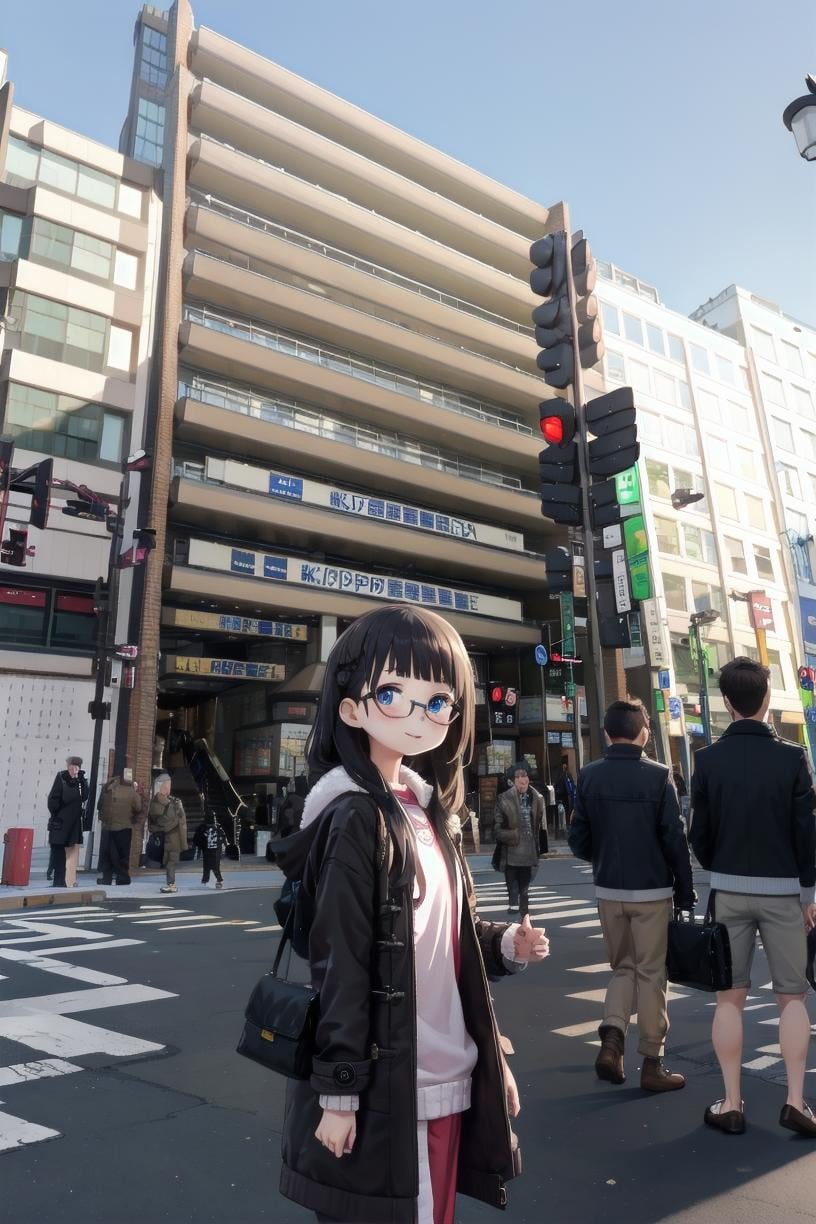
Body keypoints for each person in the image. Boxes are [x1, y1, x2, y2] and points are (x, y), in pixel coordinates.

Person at [272, 605, 550, 1224]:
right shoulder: (352, 819)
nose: (422, 714)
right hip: (390, 1084)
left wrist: (505, 945)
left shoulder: (424, 812)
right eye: (394, 692)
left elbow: (445, 935)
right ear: (349, 709)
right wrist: (339, 1093)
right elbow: (340, 961)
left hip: (447, 1072)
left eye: (438, 700)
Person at [690, 657, 816, 1137]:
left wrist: (718, 864)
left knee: (729, 998)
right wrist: (807, 892)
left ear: (726, 703)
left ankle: (732, 1102)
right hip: (784, 892)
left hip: (728, 892)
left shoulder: (707, 759)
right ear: (766, 699)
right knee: (792, 997)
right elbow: (806, 834)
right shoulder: (792, 758)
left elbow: (698, 835)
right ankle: (796, 1102)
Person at [568, 699, 695, 1093]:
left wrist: (602, 856)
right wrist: (685, 888)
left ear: (607, 734)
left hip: (609, 890)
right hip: (653, 891)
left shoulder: (589, 776)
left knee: (622, 968)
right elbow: (674, 838)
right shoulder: (658, 777)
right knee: (652, 974)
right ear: (644, 734)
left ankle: (612, 1036)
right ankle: (652, 1063)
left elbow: (578, 840)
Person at [493, 763, 546, 916]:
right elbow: (497, 830)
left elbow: (540, 826)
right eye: (519, 776)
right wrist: (514, 835)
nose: (523, 779)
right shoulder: (503, 799)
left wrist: (541, 847)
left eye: (525, 775)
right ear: (512, 781)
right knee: (513, 888)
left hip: (529, 851)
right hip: (511, 852)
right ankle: (515, 910)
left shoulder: (537, 798)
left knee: (524, 889)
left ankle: (524, 918)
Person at [96, 767, 142, 886]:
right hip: (124, 826)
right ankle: (123, 878)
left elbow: (99, 805)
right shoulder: (130, 791)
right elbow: (138, 807)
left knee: (108, 853)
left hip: (107, 826)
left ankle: (107, 878)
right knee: (123, 854)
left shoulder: (106, 788)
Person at [47, 755, 87, 888]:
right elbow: (53, 800)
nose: (74, 769)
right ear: (68, 767)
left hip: (73, 824)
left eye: (76, 767)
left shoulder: (79, 781)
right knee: (58, 851)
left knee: (70, 852)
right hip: (61, 822)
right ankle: (59, 881)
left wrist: (82, 781)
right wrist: (57, 812)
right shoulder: (61, 778)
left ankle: (67, 880)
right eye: (72, 766)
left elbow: (85, 797)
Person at [148, 774, 187, 894]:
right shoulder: (159, 802)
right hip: (168, 837)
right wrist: (175, 820)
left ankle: (171, 884)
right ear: (160, 786)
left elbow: (179, 819)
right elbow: (162, 821)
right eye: (166, 784)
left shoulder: (174, 801)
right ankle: (171, 884)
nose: (169, 787)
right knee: (170, 861)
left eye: (169, 784)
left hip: (174, 837)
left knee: (171, 861)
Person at [194, 813, 227, 888]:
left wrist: (199, 849)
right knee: (215, 865)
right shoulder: (217, 827)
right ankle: (218, 880)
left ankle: (206, 880)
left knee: (207, 865)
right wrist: (224, 847)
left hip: (207, 849)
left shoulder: (202, 827)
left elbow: (197, 839)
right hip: (216, 849)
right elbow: (223, 838)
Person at [554, 759, 576, 825]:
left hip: (568, 796)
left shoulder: (568, 775)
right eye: (563, 767)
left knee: (569, 811)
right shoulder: (560, 776)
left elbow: (572, 784)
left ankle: (569, 823)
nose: (564, 768)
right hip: (562, 796)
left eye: (565, 767)